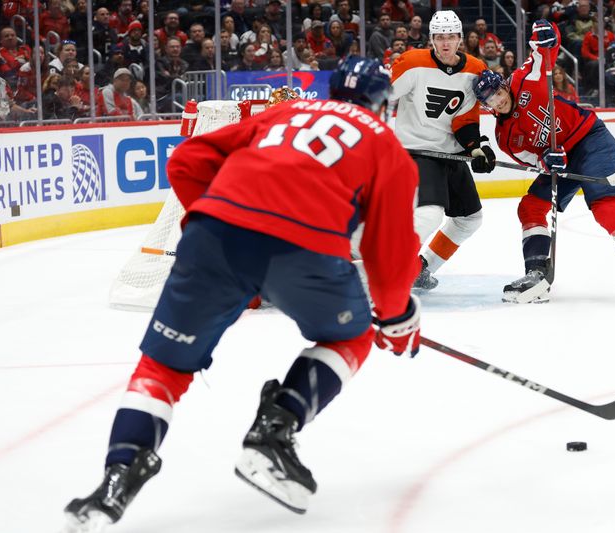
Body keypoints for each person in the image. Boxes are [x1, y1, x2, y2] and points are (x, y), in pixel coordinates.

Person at [62, 56, 421, 530]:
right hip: (305, 248)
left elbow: (187, 160)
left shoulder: (285, 113)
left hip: (214, 237)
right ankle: (275, 430)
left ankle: (115, 482)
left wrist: (209, 227)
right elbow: (390, 257)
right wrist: (398, 321)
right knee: (348, 338)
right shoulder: (387, 147)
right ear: (384, 105)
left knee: (164, 366)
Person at [473, 20, 615, 305]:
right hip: (563, 159)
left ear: (504, 85)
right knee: (530, 206)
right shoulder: (504, 138)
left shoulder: (526, 79)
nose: (499, 101)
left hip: (591, 140)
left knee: (603, 205)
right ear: (486, 106)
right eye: (491, 100)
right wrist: (547, 160)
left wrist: (546, 32)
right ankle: (536, 277)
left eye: (498, 92)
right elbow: (533, 160)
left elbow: (544, 51)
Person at [389, 10, 496, 291]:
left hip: (450, 154)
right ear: (431, 40)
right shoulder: (412, 63)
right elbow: (382, 94)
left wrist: (476, 147)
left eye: (450, 37)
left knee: (469, 219)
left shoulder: (475, 69)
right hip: (417, 151)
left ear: (460, 38)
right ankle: (389, 265)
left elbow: (465, 117)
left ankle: (420, 268)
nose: (445, 43)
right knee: (429, 214)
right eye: (439, 37)